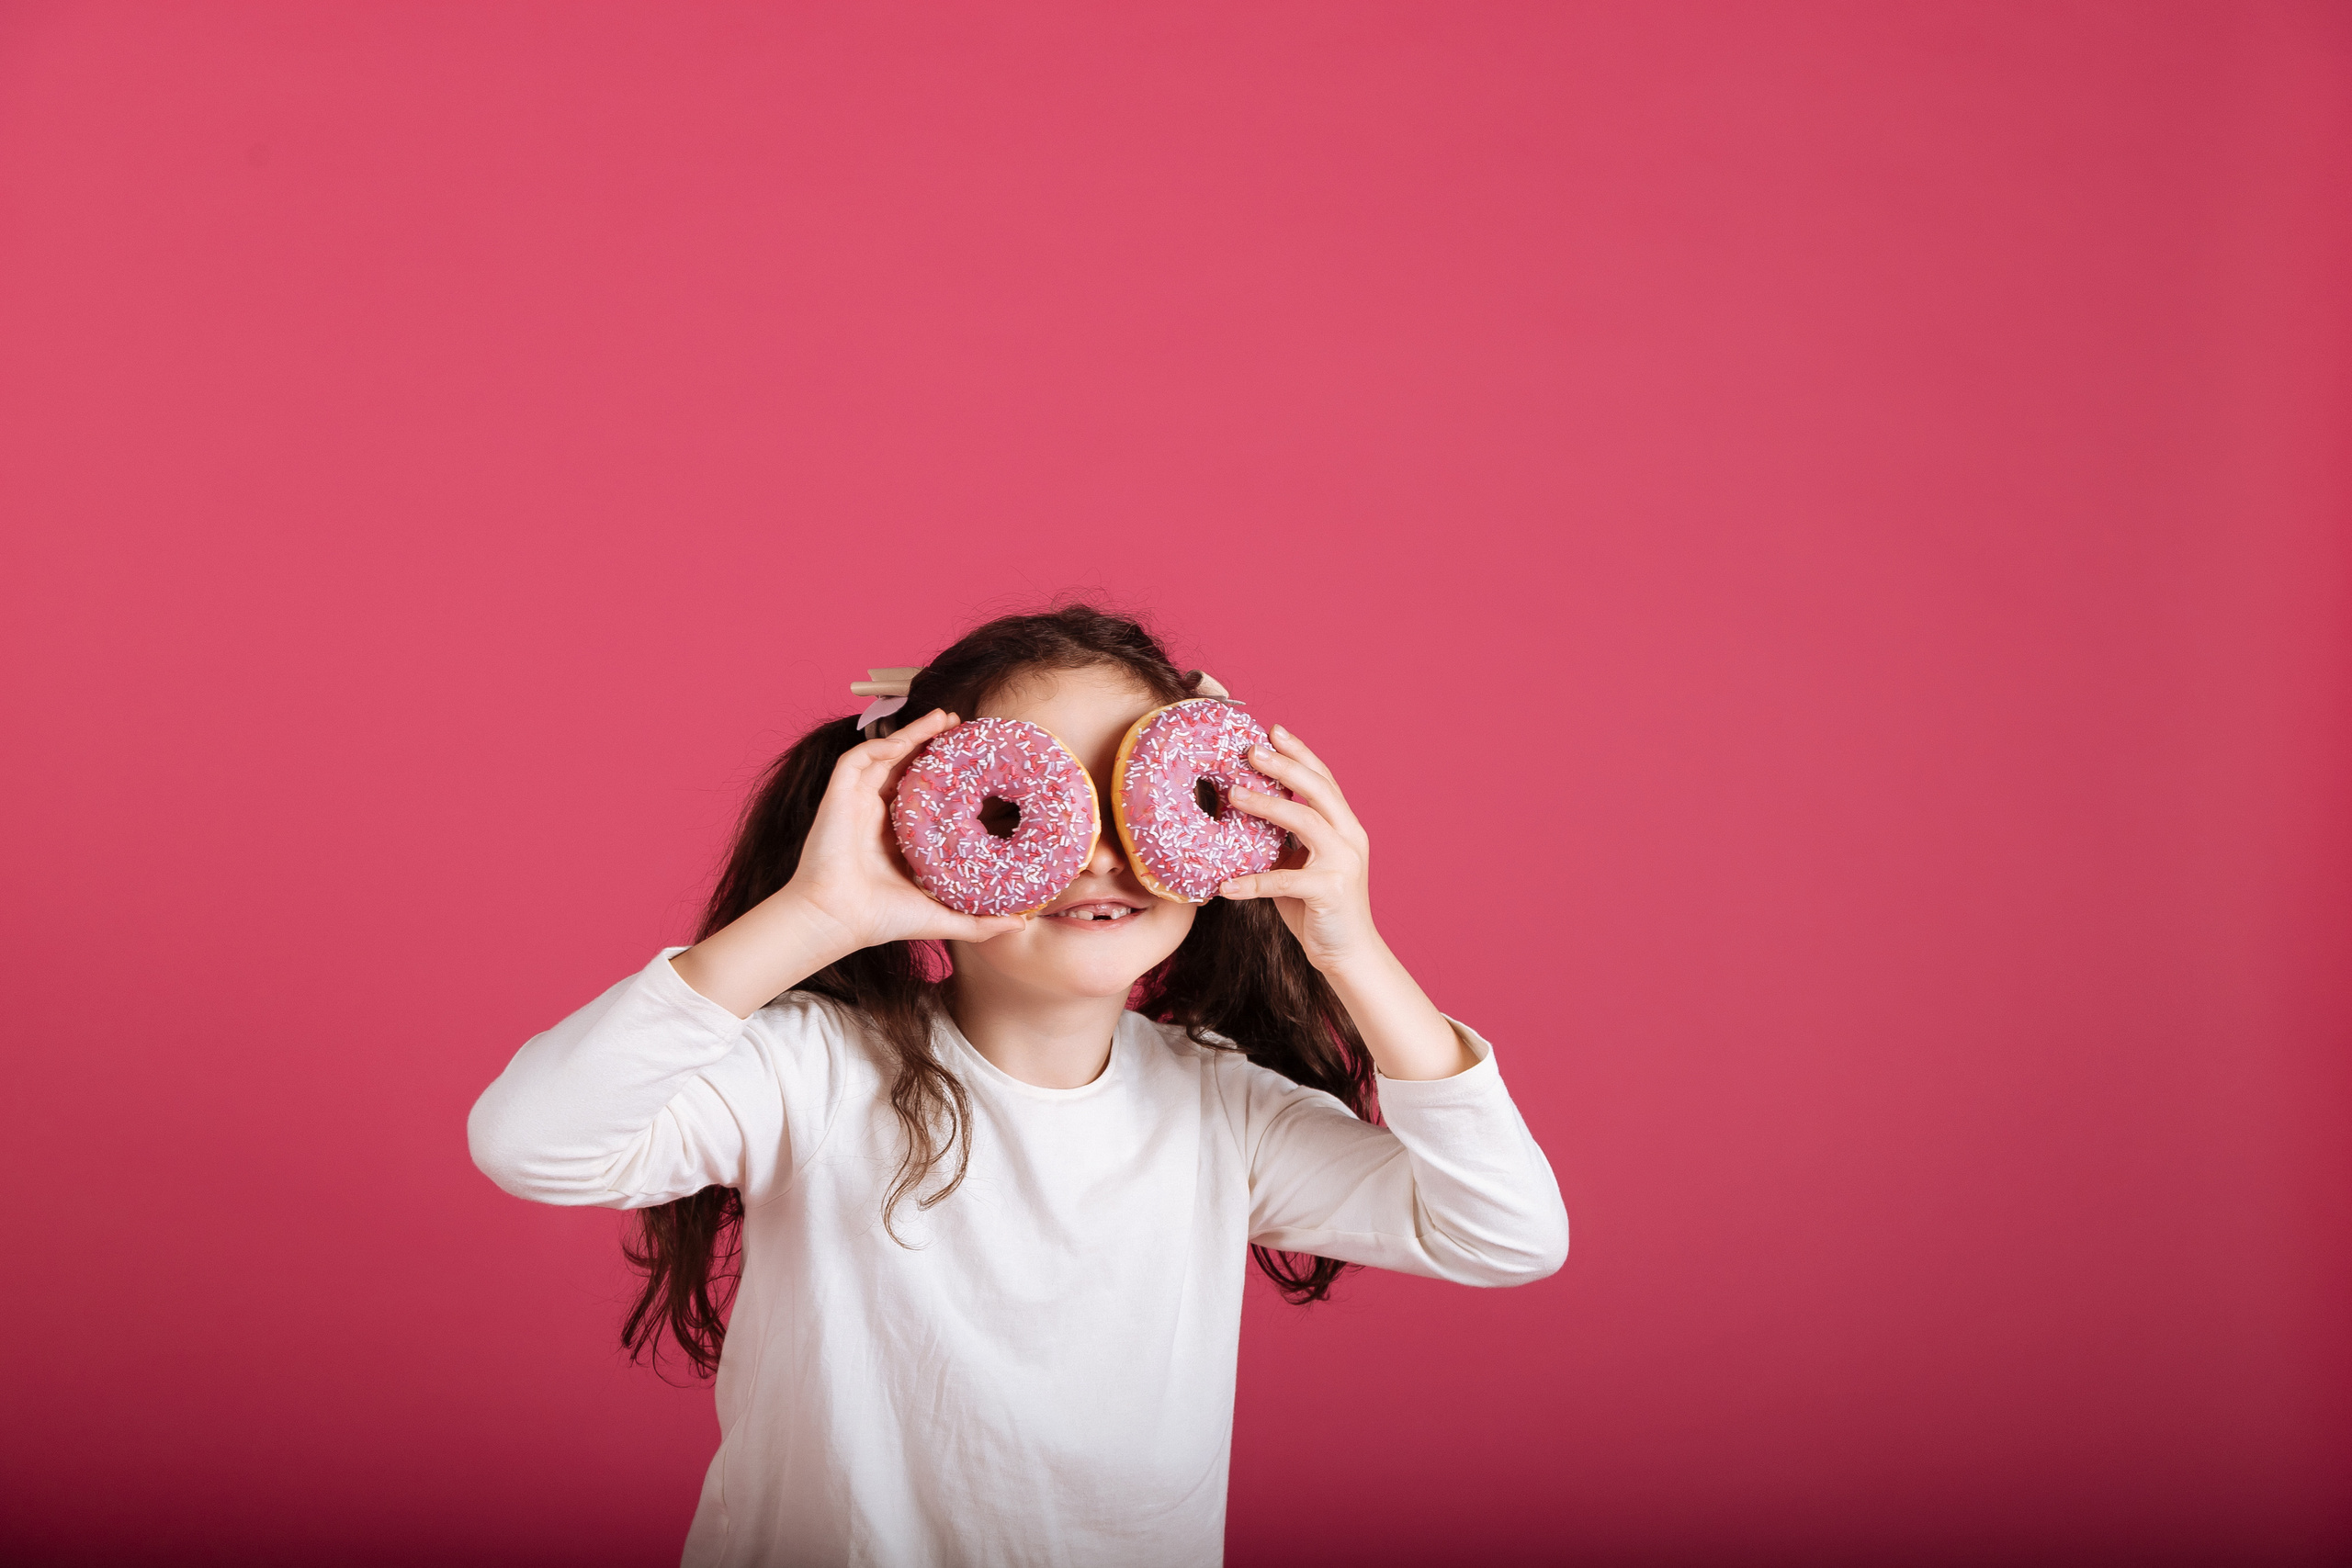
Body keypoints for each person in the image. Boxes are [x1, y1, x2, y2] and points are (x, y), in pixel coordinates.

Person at [467, 604, 1567, 1567]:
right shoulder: (810, 1073)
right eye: (1027, 804)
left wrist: (1350, 946)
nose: (1097, 852)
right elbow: (532, 1140)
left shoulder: (1219, 1112)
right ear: (916, 820)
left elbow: (1507, 1232)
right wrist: (818, 914)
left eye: (1137, 799)